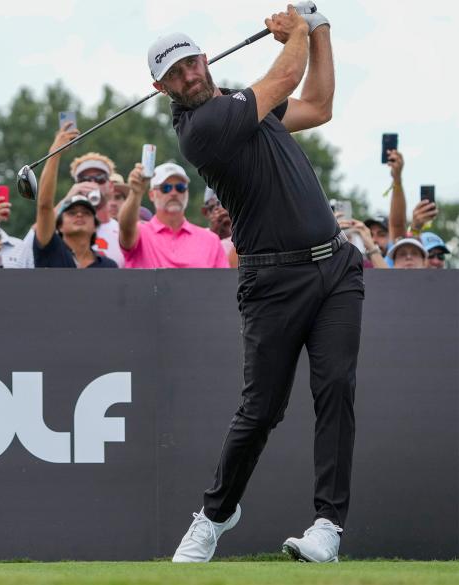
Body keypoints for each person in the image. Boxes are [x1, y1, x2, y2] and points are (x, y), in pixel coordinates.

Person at [151, 7, 362, 563]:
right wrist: (296, 32)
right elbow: (286, 77)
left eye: (191, 64)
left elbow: (318, 105)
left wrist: (320, 31)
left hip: (336, 267)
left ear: (205, 59)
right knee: (261, 410)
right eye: (175, 75)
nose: (188, 76)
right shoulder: (203, 130)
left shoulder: (252, 110)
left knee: (335, 388)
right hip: (273, 281)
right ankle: (215, 516)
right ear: (162, 88)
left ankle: (327, 527)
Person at [32, 126, 118, 269]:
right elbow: (44, 206)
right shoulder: (50, 249)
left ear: (95, 226)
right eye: (71, 212)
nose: (79, 215)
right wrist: (54, 153)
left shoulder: (109, 267)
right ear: (59, 225)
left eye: (86, 212)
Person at [121, 162, 229, 269]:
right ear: (152, 195)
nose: (173, 193)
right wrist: (135, 193)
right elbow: (126, 228)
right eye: (166, 188)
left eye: (180, 187)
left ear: (187, 192)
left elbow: (223, 283)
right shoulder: (140, 233)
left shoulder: (211, 241)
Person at [68, 152, 125, 267]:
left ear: (111, 186)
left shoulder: (122, 232)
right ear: (77, 186)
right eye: (85, 179)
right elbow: (33, 239)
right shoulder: (64, 229)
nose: (93, 183)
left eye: (100, 178)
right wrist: (67, 199)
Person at [202, 188, 238, 268]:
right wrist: (214, 234)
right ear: (205, 212)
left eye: (226, 205)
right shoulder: (198, 237)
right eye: (213, 207)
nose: (220, 210)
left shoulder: (244, 238)